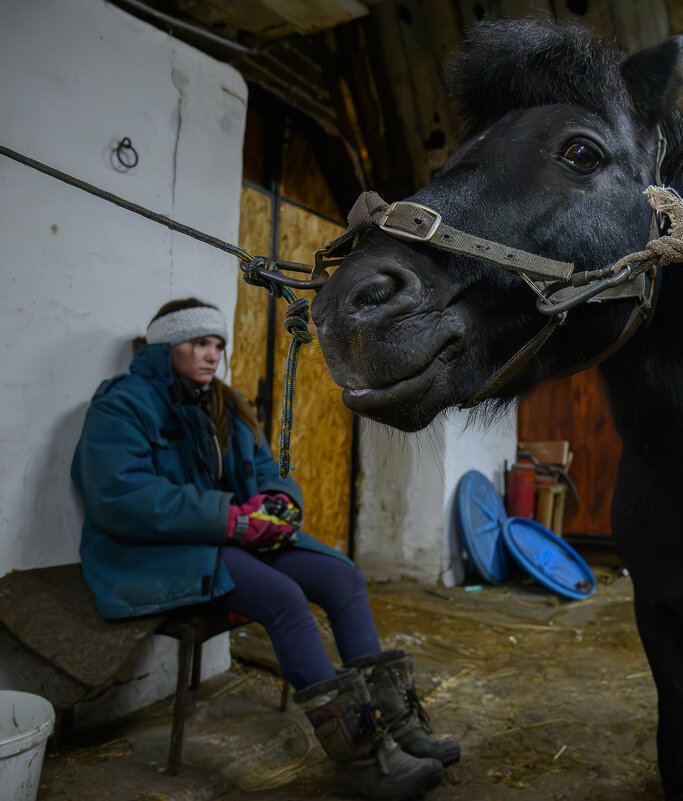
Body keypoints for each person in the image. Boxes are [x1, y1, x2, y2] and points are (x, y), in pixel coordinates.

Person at [70, 298, 458, 800]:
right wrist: (230, 519)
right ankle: (363, 757)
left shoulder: (222, 403)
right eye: (197, 344)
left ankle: (403, 728)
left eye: (217, 345)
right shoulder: (121, 404)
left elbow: (264, 469)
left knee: (342, 577)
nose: (211, 355)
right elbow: (121, 498)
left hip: (223, 538)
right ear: (167, 346)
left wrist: (278, 504)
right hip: (151, 553)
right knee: (283, 597)